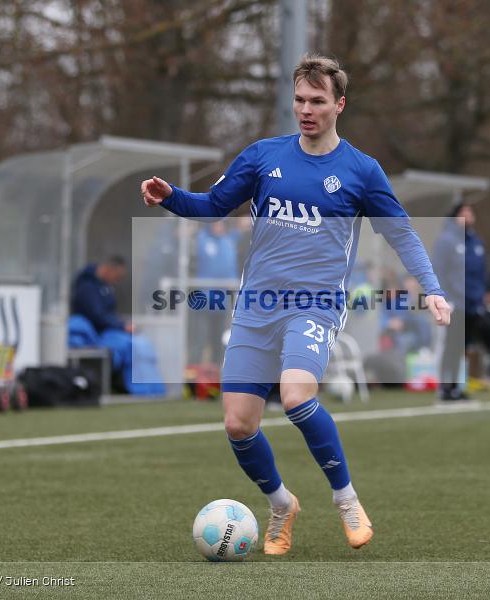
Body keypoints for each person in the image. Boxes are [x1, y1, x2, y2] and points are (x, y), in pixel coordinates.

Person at [141, 54, 452, 555]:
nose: (306, 110)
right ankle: (282, 504)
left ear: (339, 105)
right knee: (238, 424)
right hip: (256, 306)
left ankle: (347, 500)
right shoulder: (263, 156)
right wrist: (171, 196)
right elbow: (214, 205)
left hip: (315, 304)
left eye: (318, 101)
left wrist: (432, 287)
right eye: (300, 100)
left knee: (295, 396)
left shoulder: (361, 171)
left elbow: (403, 234)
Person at [69, 256, 164, 396]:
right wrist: (121, 327)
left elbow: (107, 314)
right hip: (97, 335)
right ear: (109, 269)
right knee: (132, 345)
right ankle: (137, 388)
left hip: (109, 331)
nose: (117, 281)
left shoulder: (104, 287)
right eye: (118, 276)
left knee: (142, 343)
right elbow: (97, 317)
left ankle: (152, 389)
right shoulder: (87, 288)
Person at [433, 201, 487, 401]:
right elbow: (438, 271)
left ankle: (456, 386)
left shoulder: (476, 242)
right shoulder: (447, 241)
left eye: (470, 212)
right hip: (455, 303)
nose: (468, 216)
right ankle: (445, 387)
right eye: (464, 212)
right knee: (451, 347)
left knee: (463, 348)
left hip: (472, 304)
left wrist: (481, 296)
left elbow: (481, 273)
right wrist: (444, 298)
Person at [191, 220, 242, 364]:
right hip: (204, 300)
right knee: (199, 340)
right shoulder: (201, 239)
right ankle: (193, 374)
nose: (219, 227)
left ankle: (216, 372)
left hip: (222, 301)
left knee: (219, 340)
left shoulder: (229, 242)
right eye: (216, 224)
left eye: (221, 224)